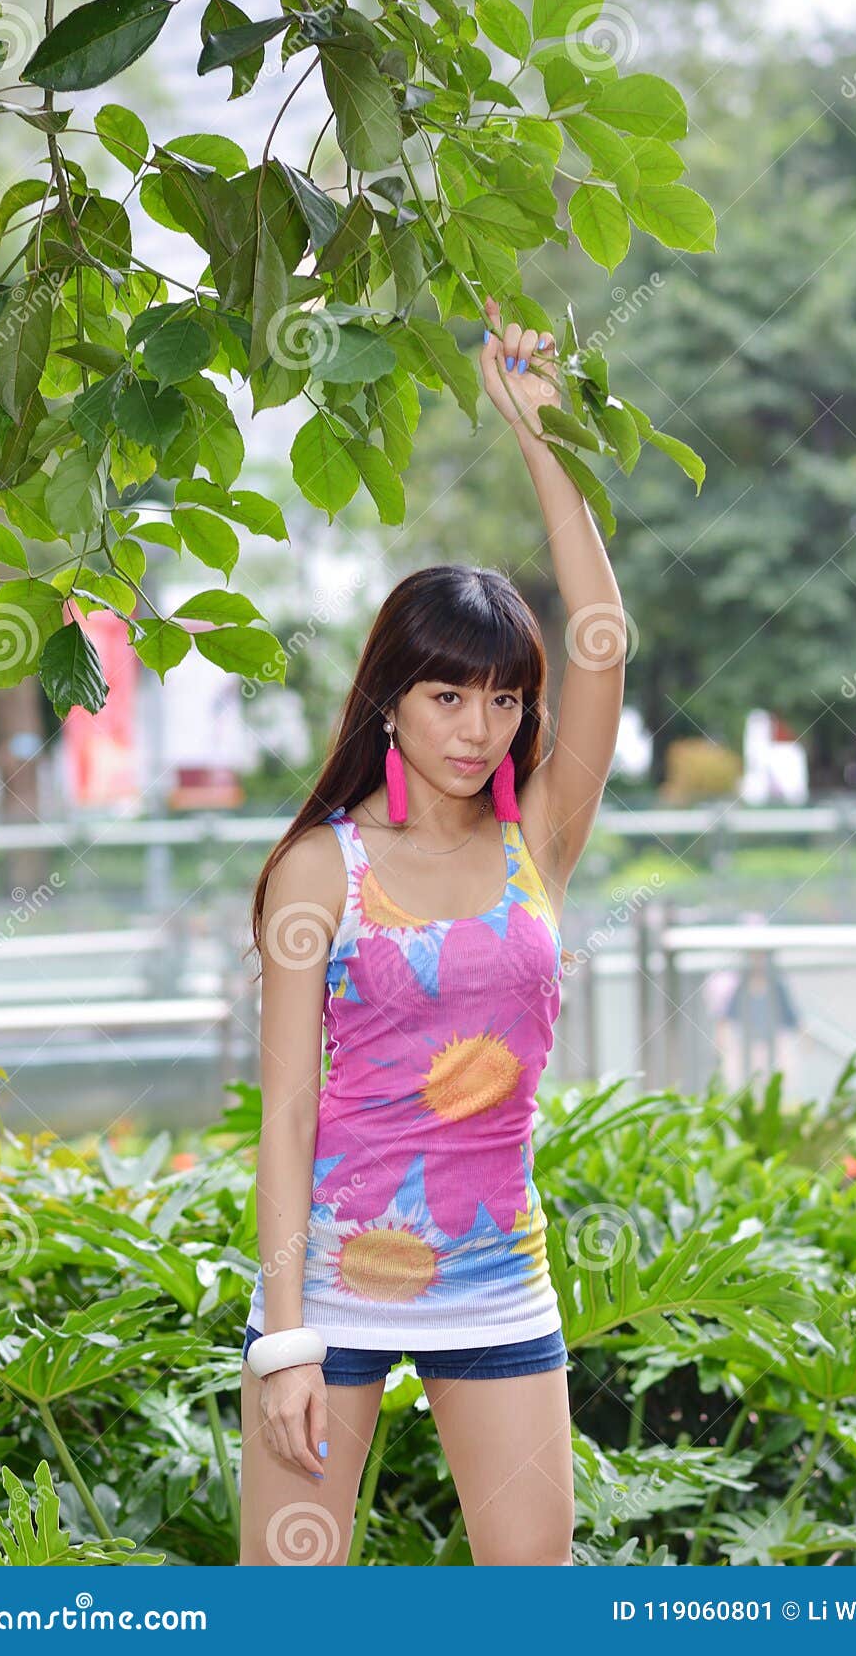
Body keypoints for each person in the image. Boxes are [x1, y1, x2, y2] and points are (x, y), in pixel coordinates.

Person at [238, 294, 627, 1566]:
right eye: (448, 692)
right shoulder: (320, 870)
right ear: (391, 702)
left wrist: (542, 438)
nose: (479, 725)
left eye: (505, 697)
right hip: (334, 1286)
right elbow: (289, 1113)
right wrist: (288, 1333)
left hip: (499, 1280)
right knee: (283, 1620)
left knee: (535, 1610)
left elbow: (605, 646)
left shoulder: (539, 843)